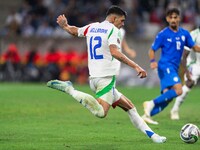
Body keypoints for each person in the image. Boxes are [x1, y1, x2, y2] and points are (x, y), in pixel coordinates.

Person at [47, 6, 166, 143]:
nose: (122, 24)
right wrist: (136, 66)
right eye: (121, 21)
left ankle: (153, 136)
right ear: (114, 18)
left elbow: (75, 31)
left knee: (130, 107)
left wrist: (65, 26)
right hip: (106, 78)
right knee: (101, 113)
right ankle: (70, 90)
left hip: (94, 77)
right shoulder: (113, 30)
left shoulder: (93, 27)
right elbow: (115, 52)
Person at [142, 8, 200, 125]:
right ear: (167, 19)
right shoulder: (163, 34)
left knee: (167, 97)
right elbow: (152, 50)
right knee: (178, 90)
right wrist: (153, 61)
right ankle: (150, 103)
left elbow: (194, 47)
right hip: (165, 66)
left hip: (174, 67)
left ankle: (146, 115)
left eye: (175, 17)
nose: (173, 19)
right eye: (171, 17)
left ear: (179, 18)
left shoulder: (184, 34)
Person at [170, 27, 200, 120]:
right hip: (195, 64)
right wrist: (186, 72)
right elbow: (184, 55)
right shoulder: (194, 34)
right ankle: (174, 110)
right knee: (189, 84)